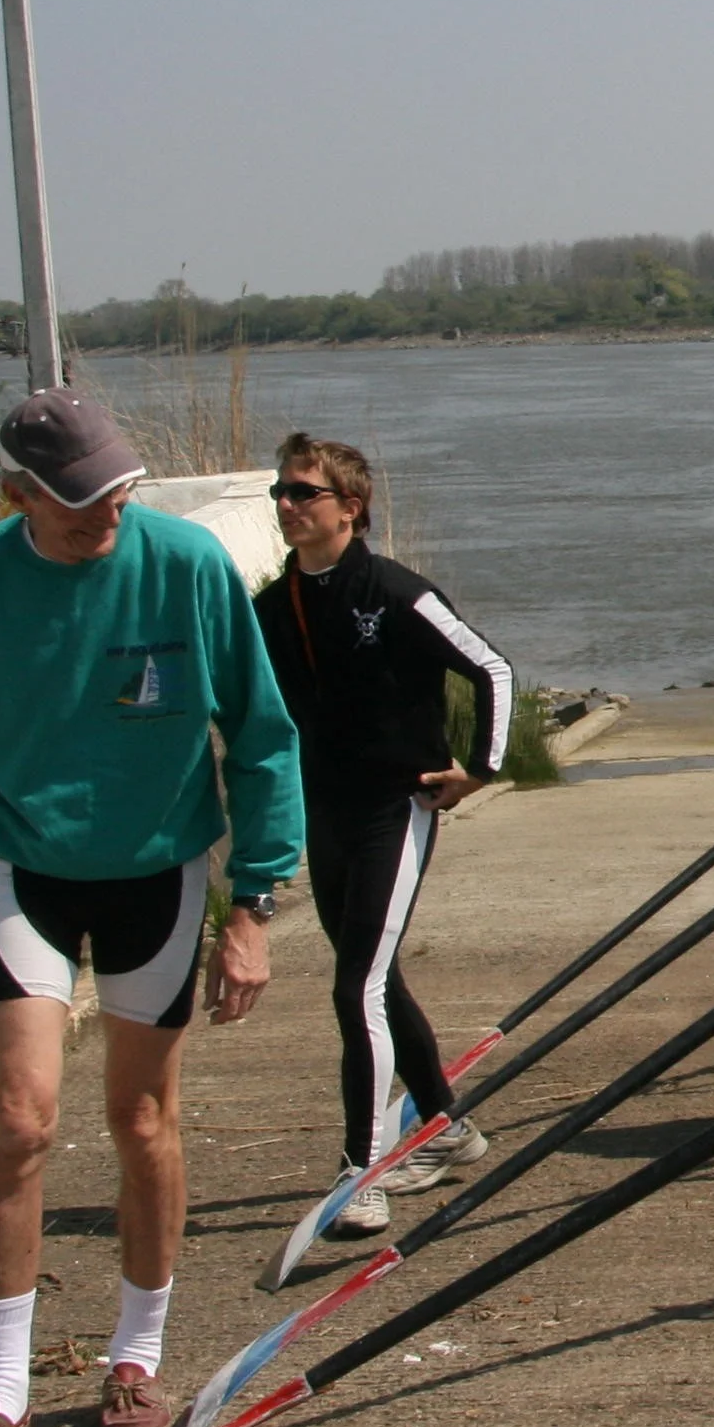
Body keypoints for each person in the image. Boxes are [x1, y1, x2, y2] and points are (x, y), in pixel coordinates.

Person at [0, 389, 303, 1427]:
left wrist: (252, 907)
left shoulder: (186, 566)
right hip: (25, 864)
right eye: (77, 504)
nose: (104, 516)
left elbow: (261, 737)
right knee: (18, 1119)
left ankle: (136, 1355)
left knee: (140, 1115)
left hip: (158, 869)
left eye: (117, 492)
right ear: (14, 494)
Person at [249, 432, 518, 1239]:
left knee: (355, 986)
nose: (288, 507)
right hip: (322, 810)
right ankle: (448, 1124)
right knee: (371, 977)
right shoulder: (271, 605)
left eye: (304, 493)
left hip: (395, 810)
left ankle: (361, 1173)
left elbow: (493, 670)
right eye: (281, 494)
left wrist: (480, 767)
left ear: (350, 508)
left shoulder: (397, 592)